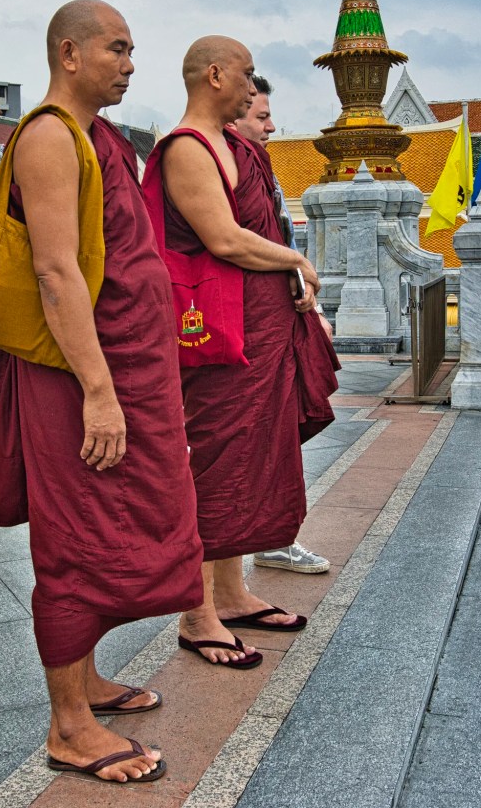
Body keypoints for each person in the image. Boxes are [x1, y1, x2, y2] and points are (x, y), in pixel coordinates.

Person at [0, 1, 203, 783]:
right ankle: (68, 724)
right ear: (69, 54)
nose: (132, 62)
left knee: (124, 521)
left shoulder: (99, 138)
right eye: (118, 48)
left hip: (123, 367)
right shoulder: (47, 135)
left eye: (134, 48)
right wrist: (100, 391)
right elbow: (54, 271)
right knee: (77, 535)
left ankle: (89, 682)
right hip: (77, 376)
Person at [147, 36, 339, 668]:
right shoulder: (187, 148)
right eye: (248, 75)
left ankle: (229, 593)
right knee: (214, 461)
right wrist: (296, 259)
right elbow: (224, 240)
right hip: (217, 334)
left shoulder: (238, 149)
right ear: (215, 75)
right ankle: (196, 611)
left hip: (257, 329)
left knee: (249, 458)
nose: (255, 87)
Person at [234, 74, 332, 576]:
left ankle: (274, 535)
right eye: (261, 117)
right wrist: (298, 263)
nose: (272, 127)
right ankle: (260, 543)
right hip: (243, 327)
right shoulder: (212, 158)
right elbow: (232, 241)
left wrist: (307, 296)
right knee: (246, 444)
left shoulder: (260, 165)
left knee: (279, 436)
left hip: (280, 314)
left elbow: (275, 237)